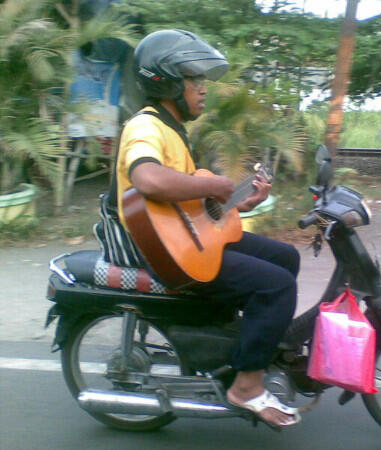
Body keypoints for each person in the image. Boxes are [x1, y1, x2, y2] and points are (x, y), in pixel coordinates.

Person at [95, 29, 301, 427]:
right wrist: (214, 184)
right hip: (159, 252)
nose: (203, 89)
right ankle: (246, 386)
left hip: (182, 239)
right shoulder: (145, 127)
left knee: (285, 256)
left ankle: (235, 345)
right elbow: (149, 180)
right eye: (194, 80)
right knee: (276, 285)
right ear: (168, 81)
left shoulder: (173, 130)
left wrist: (239, 200)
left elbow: (193, 211)